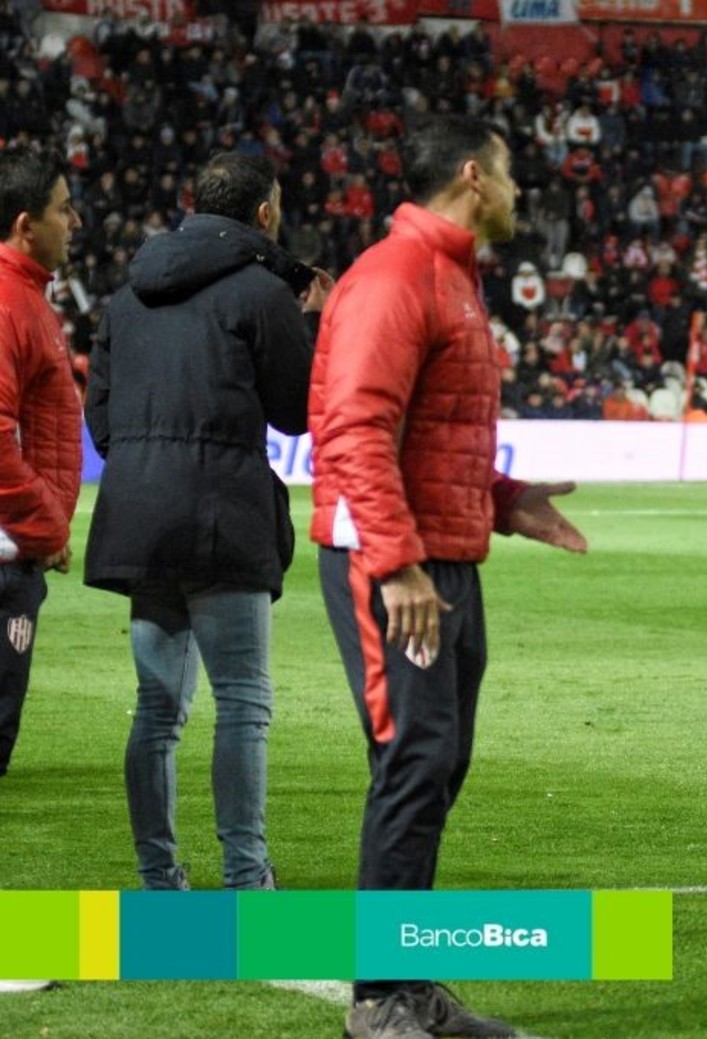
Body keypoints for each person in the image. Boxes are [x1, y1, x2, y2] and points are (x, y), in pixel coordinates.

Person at [309, 115, 587, 1039]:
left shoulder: (451, 279)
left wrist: (502, 499)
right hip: (397, 564)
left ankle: (407, 985)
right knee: (414, 760)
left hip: (443, 555)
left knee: (436, 762)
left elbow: (429, 435)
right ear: (473, 177)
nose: (517, 192)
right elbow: (352, 430)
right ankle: (380, 999)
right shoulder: (395, 276)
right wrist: (395, 565)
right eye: (509, 175)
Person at [85, 153, 330, 891]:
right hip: (222, 515)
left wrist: (145, 465)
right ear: (263, 214)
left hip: (138, 517)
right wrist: (310, 324)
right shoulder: (262, 292)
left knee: (157, 710)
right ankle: (246, 875)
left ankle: (159, 877)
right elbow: (296, 409)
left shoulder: (126, 299)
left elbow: (98, 416)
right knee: (243, 703)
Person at [0, 147, 81, 781]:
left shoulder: (27, 299)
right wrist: (47, 526)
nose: (74, 221)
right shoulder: (7, 304)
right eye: (63, 208)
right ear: (26, 225)